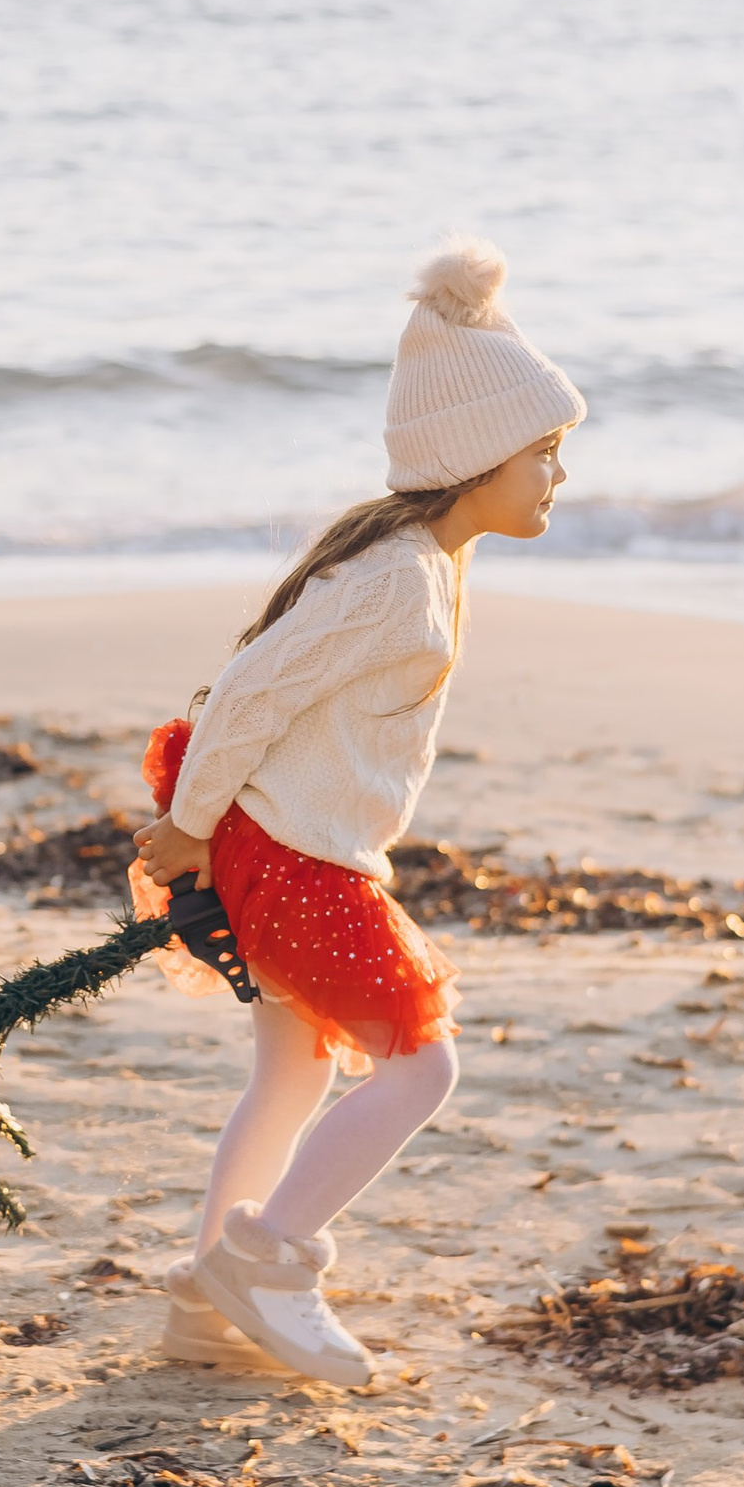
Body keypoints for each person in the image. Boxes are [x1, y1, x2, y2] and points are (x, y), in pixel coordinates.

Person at [131, 241, 585, 1385]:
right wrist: (188, 827)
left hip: (288, 843)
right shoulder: (394, 580)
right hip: (291, 860)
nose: (557, 477)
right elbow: (249, 689)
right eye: (544, 453)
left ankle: (206, 1293)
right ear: (479, 457)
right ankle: (270, 1256)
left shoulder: (418, 565)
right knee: (420, 1069)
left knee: (291, 1074)